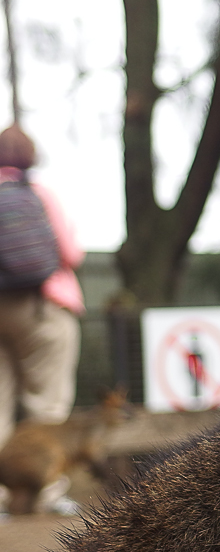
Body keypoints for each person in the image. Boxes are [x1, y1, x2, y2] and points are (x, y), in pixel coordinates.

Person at [0, 124, 86, 514]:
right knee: (47, 406)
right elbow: (71, 253)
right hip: (42, 306)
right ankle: (48, 494)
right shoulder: (38, 195)